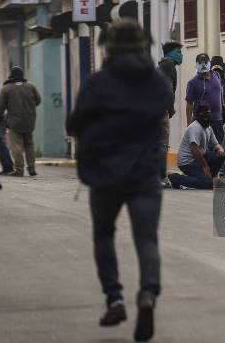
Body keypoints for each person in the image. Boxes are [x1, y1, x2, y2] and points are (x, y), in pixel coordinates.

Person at [67, 19, 173, 343]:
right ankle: (148, 294)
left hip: (105, 176)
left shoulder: (98, 83)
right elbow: (163, 107)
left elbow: (74, 124)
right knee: (147, 239)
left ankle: (114, 298)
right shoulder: (156, 82)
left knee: (104, 235)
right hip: (144, 174)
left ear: (108, 48)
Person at [165, 103, 225, 189]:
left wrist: (220, 149)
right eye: (204, 115)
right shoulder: (195, 128)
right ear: (198, 115)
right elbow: (194, 150)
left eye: (208, 114)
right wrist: (205, 166)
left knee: (220, 156)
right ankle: (175, 178)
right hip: (187, 162)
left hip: (199, 157)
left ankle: (210, 178)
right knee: (206, 183)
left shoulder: (208, 128)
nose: (207, 117)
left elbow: (215, 144)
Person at [0, 66, 42, 177]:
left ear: (11, 75)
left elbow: (0, 107)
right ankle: (31, 168)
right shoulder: (31, 86)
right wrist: (29, 107)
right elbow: (38, 100)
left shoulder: (6, 88)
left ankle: (19, 170)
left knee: (16, 146)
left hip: (14, 122)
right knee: (29, 144)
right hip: (29, 120)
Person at [185, 53, 224, 143]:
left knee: (218, 147)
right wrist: (189, 124)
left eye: (205, 62)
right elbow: (189, 104)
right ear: (196, 64)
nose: (203, 65)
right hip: (201, 122)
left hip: (217, 120)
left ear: (209, 63)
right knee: (204, 149)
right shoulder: (192, 83)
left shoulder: (217, 75)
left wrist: (223, 113)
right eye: (200, 63)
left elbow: (220, 95)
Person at [158, 41, 183, 175]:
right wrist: (170, 108)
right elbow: (167, 89)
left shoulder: (163, 66)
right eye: (179, 52)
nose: (181, 55)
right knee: (162, 142)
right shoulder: (168, 67)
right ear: (171, 54)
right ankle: (161, 176)